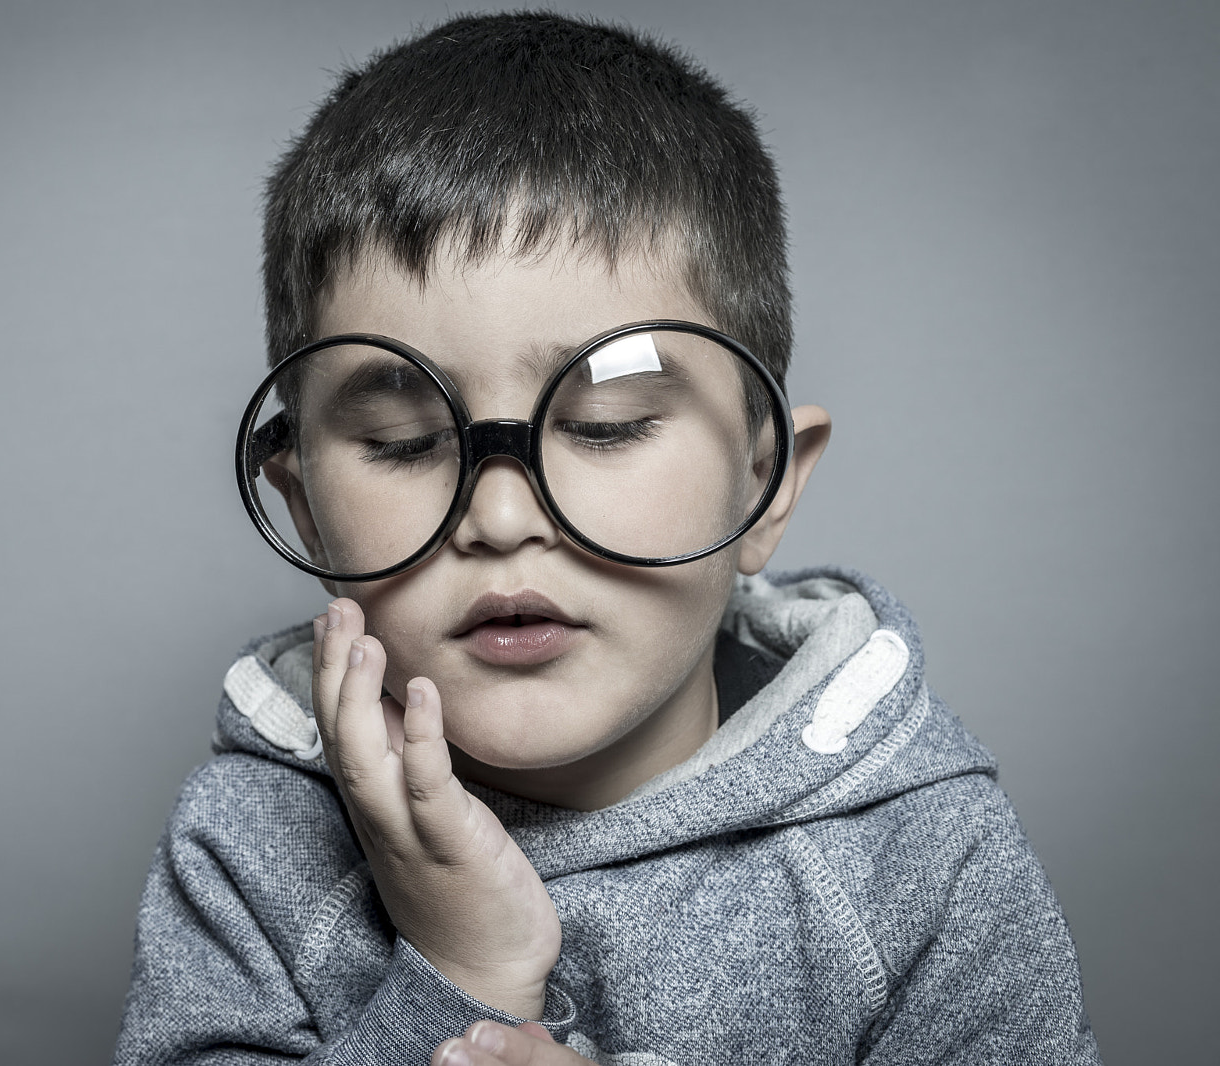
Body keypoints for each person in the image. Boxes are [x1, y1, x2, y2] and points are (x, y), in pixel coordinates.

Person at [113, 12, 1099, 1065]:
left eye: (606, 424)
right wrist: (461, 975)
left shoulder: (923, 861)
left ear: (763, 482)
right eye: (404, 441)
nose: (500, 518)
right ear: (305, 507)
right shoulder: (251, 847)